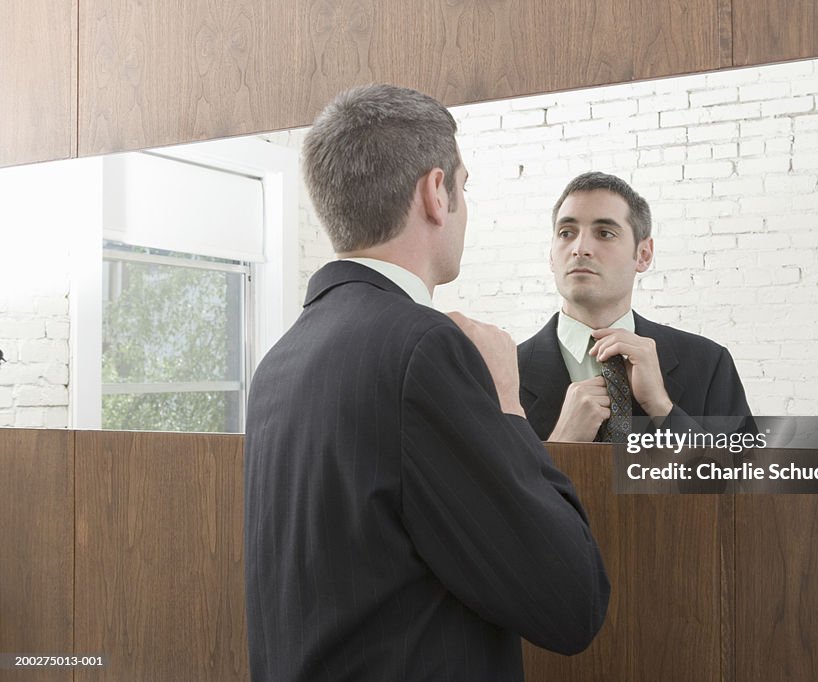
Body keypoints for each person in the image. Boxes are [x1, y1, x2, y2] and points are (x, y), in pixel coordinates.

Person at [244, 85, 609, 682]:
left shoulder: (282, 359)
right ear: (436, 192)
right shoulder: (425, 349)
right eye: (463, 187)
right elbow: (572, 601)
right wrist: (509, 408)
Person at [518, 172, 752, 442]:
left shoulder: (709, 365)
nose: (580, 248)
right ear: (551, 255)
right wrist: (561, 444)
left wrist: (662, 408)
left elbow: (744, 481)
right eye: (566, 233)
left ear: (643, 255)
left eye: (604, 233)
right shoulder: (501, 375)